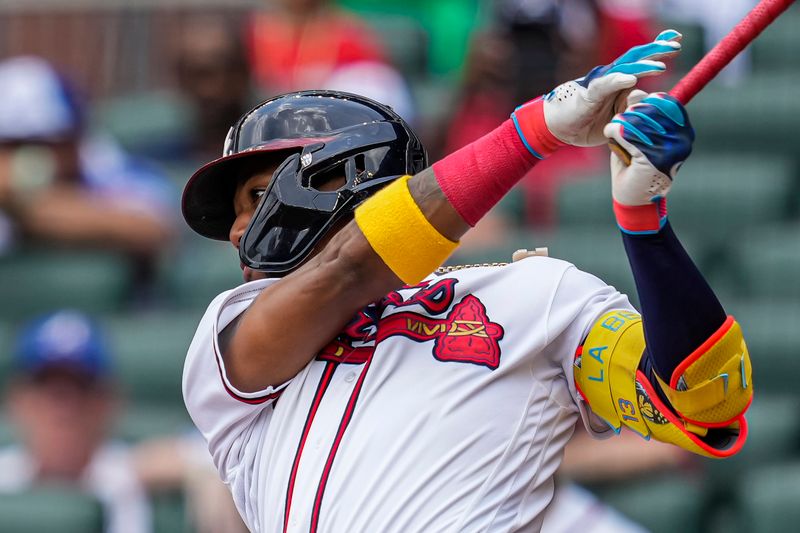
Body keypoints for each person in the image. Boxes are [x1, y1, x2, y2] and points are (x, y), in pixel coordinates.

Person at [181, 29, 752, 532]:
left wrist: (643, 220)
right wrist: (534, 129)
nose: (234, 233)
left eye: (254, 197)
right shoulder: (226, 335)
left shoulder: (536, 293)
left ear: (342, 175)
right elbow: (350, 268)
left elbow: (702, 401)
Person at [0, 56, 175, 261]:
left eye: (44, 142)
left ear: (75, 139)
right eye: (13, 145)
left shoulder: (103, 165)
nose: (28, 156)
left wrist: (23, 205)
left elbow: (154, 228)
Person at [0, 310, 151, 533]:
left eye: (81, 388)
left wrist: (198, 472)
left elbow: (205, 454)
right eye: (49, 390)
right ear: (17, 401)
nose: (64, 409)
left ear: (107, 403)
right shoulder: (4, 474)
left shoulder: (128, 478)